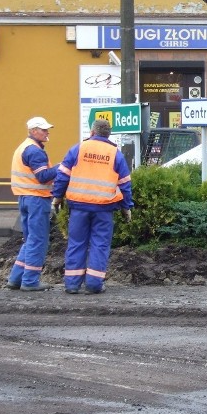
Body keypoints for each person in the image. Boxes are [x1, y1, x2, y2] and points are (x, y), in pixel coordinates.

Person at [52, 118, 134, 295]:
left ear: (92, 132)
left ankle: (72, 284)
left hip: (79, 207)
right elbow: (125, 184)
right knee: (100, 245)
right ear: (108, 135)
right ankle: (94, 285)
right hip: (104, 209)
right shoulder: (115, 154)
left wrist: (57, 197)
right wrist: (126, 207)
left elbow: (62, 175)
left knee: (76, 243)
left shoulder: (78, 149)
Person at [7, 116, 59, 291]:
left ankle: (16, 278)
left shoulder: (24, 147)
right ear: (33, 131)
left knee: (29, 240)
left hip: (25, 198)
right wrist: (62, 166)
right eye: (44, 130)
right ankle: (30, 281)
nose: (47, 132)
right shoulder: (35, 151)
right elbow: (43, 176)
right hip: (36, 199)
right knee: (38, 241)